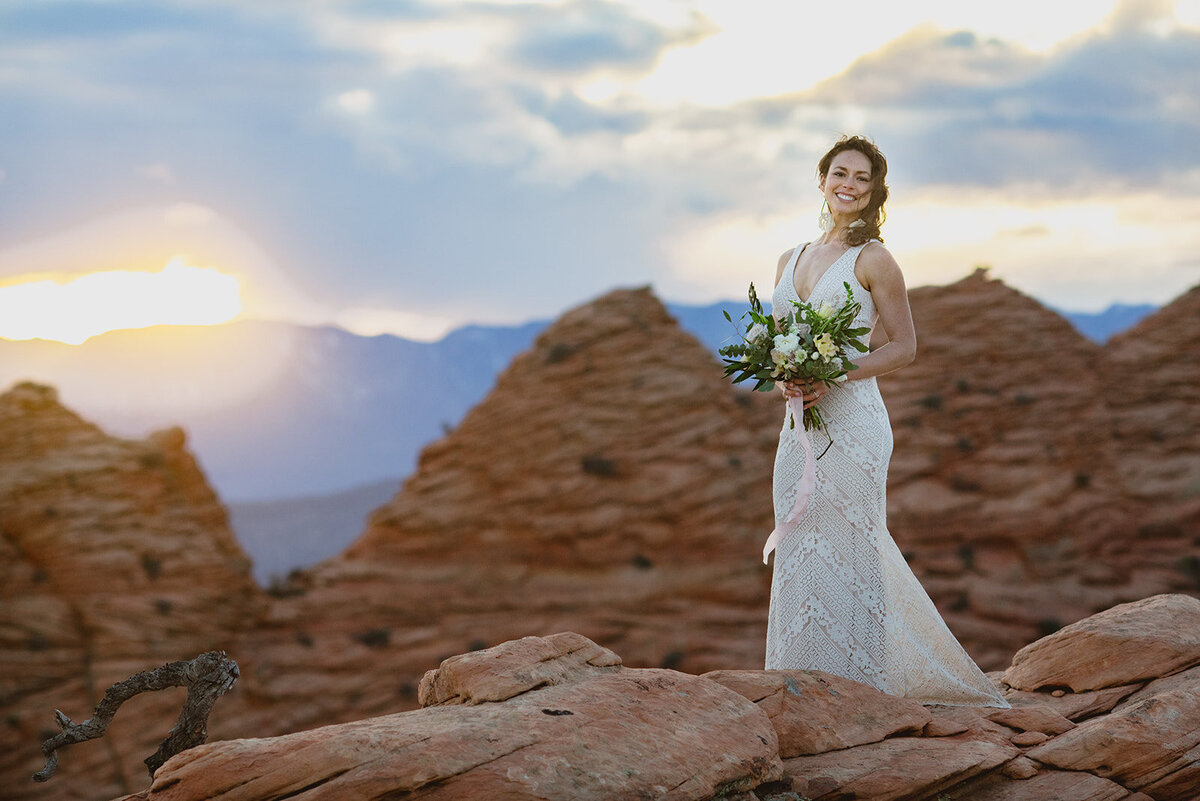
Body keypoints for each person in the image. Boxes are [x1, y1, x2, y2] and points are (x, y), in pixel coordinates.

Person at [764, 135, 1008, 707]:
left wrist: (835, 376)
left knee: (851, 542)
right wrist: (787, 378)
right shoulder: (788, 257)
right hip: (799, 425)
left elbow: (904, 347)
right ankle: (799, 681)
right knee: (800, 538)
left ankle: (863, 684)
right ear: (822, 179)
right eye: (839, 173)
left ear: (874, 191)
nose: (848, 185)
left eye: (861, 178)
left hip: (854, 422)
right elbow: (780, 344)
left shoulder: (874, 259)